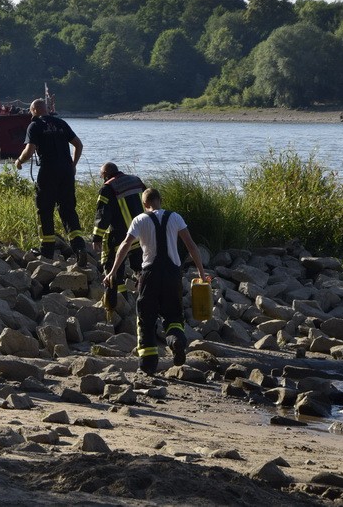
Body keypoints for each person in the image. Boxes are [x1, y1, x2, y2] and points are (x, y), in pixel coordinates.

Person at [103, 188, 206, 375]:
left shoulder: (140, 220)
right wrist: (201, 273)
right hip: (173, 274)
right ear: (161, 200)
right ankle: (176, 341)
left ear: (144, 204)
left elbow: (125, 245)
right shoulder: (175, 217)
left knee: (145, 317)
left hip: (149, 274)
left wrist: (113, 271)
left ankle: (148, 363)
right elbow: (191, 246)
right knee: (173, 315)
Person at [14, 98, 88, 266]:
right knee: (68, 209)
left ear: (33, 110)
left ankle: (47, 252)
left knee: (45, 209)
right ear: (46, 109)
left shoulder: (34, 125)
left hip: (48, 170)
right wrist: (73, 166)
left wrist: (19, 161)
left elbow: (30, 150)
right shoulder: (61, 123)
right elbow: (79, 144)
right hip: (66, 171)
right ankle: (79, 247)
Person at [92, 162, 146, 324]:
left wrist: (97, 237)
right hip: (141, 236)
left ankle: (112, 307)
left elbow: (103, 215)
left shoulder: (107, 188)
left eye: (102, 176)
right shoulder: (136, 181)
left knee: (112, 270)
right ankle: (146, 300)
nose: (102, 180)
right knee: (141, 269)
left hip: (120, 238)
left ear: (106, 175)